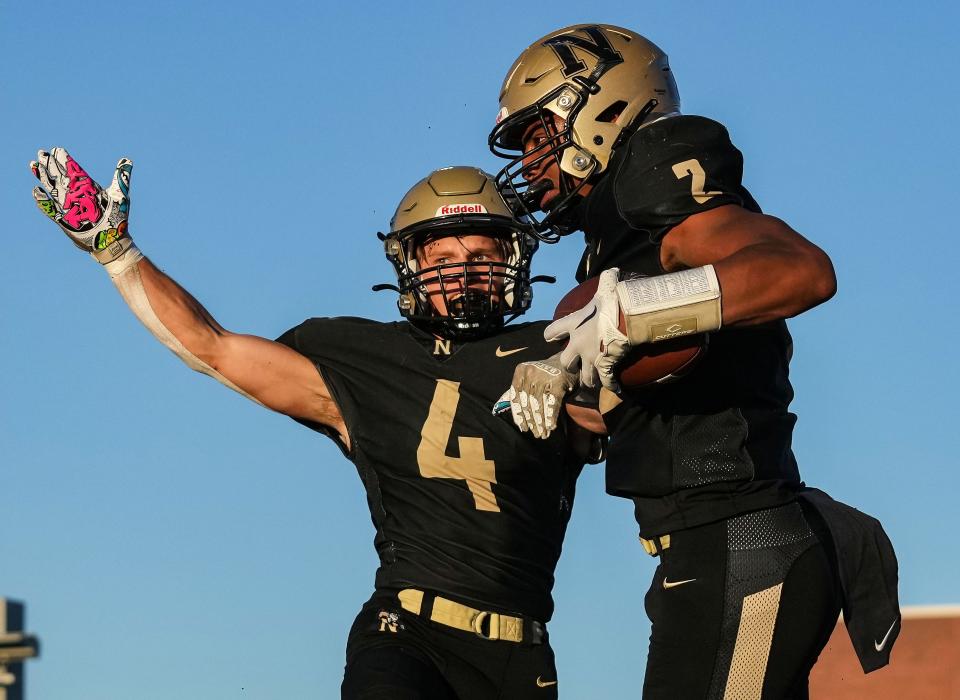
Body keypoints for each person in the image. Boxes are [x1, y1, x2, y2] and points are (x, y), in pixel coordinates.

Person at [29, 151, 600, 699]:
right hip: (408, 633)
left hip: (521, 651)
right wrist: (118, 253)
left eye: (481, 257)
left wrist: (577, 372)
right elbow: (214, 347)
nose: (464, 276)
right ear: (410, 265)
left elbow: (630, 407)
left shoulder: (558, 347)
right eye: (443, 261)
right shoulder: (360, 355)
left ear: (514, 260)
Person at [487, 24, 900, 698]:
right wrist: (569, 395)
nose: (532, 164)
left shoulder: (657, 171)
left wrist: (628, 314)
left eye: (540, 136)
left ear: (605, 108)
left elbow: (801, 271)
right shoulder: (613, 239)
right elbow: (653, 395)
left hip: (738, 535)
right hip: (704, 547)